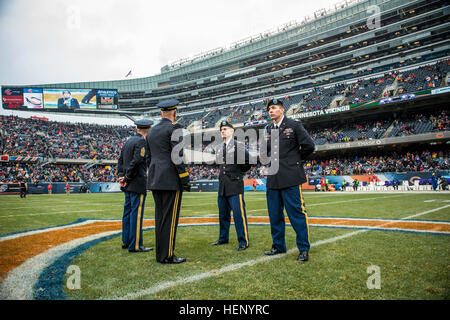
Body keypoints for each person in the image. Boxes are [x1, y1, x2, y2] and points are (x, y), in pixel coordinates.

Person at [260, 98, 315, 263]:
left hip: (290, 177)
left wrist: (295, 161)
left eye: (274, 108)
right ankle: (278, 246)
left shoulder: (294, 125)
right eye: (269, 108)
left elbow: (309, 146)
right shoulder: (267, 129)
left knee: (296, 215)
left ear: (282, 110)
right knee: (275, 215)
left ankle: (303, 249)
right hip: (273, 178)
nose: (271, 111)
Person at [146, 99, 191, 264]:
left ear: (160, 113)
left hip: (156, 179)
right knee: (170, 219)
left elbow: (149, 158)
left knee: (160, 218)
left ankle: (160, 254)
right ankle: (167, 255)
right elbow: (177, 156)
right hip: (171, 180)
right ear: (175, 113)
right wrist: (184, 178)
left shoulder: (151, 132)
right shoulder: (174, 129)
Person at [210, 120, 251, 251]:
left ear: (232, 131)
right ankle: (223, 238)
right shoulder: (219, 147)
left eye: (226, 129)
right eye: (221, 129)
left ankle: (243, 241)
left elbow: (247, 162)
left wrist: (237, 173)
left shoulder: (238, 146)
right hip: (223, 186)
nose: (223, 131)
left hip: (234, 184)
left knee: (239, 215)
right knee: (223, 214)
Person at [117, 119, 154, 253]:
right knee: (136, 214)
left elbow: (120, 160)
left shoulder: (128, 141)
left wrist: (122, 176)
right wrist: (127, 177)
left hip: (127, 184)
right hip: (136, 182)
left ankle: (126, 241)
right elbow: (137, 161)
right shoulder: (141, 141)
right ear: (148, 130)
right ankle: (136, 245)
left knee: (127, 212)